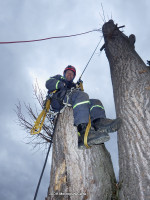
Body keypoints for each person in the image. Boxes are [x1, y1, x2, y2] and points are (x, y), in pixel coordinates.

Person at [45, 65, 122, 149]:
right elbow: (48, 83)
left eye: (72, 74)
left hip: (70, 98)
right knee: (82, 95)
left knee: (95, 102)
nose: (70, 75)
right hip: (58, 99)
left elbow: (81, 100)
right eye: (68, 73)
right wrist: (61, 84)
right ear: (64, 74)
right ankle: (83, 131)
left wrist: (77, 86)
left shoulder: (73, 85)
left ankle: (99, 122)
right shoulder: (58, 78)